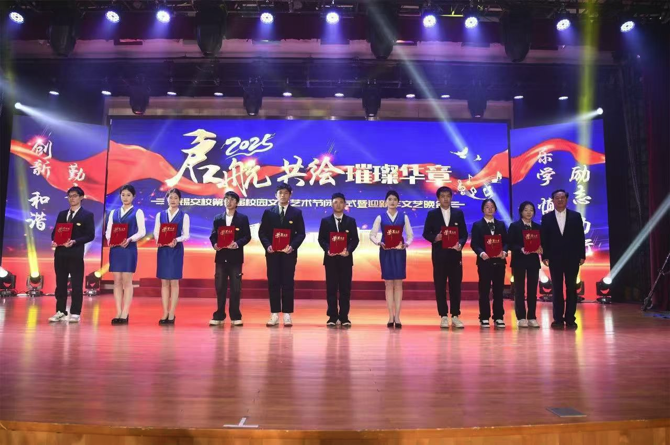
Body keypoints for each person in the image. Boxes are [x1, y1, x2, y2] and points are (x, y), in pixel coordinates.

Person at [259, 183, 306, 327]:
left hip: (288, 254)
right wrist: (268, 245)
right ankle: (274, 314)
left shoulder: (296, 213)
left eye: (286, 193)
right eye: (280, 193)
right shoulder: (268, 212)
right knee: (273, 282)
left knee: (288, 283)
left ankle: (287, 314)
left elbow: (301, 233)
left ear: (290, 195)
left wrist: (292, 246)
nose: (283, 195)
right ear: (276, 195)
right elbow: (262, 232)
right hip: (272, 253)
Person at [422, 186, 468, 329]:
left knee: (455, 286)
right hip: (439, 256)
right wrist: (436, 238)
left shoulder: (458, 213)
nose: (446, 199)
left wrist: (460, 244)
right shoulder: (432, 214)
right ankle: (443, 315)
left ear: (451, 197)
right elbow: (426, 233)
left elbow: (464, 234)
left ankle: (455, 315)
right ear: (438, 198)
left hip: (455, 255)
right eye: (442, 196)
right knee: (440, 286)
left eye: (448, 196)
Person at [48, 186, 95, 323]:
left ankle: (75, 312)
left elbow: (90, 235)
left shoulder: (87, 215)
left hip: (75, 254)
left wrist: (75, 241)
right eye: (69, 196)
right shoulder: (62, 214)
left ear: (81, 197)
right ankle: (60, 311)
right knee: (60, 284)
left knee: (76, 284)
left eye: (74, 196)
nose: (72, 198)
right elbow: (55, 232)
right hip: (60, 254)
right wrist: (54, 240)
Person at [541, 189, 586, 330]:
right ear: (552, 200)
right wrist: (545, 256)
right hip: (554, 258)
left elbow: (580, 237)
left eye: (562, 197)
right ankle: (558, 319)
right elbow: (544, 239)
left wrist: (582, 255)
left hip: (572, 258)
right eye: (557, 198)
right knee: (557, 288)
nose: (560, 200)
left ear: (566, 199)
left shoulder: (576, 216)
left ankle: (570, 319)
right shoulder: (546, 218)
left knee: (571, 288)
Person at [369, 190, 414, 328]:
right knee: (388, 283)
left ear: (398, 202)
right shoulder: (380, 217)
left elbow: (410, 235)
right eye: (390, 199)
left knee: (398, 283)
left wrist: (406, 244)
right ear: (386, 201)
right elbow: (372, 234)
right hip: (386, 252)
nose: (392, 202)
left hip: (399, 252)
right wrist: (379, 242)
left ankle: (398, 316)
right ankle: (390, 316)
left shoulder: (404, 217)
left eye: (395, 199)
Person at [209, 191, 251, 327]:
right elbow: (213, 235)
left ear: (237, 203)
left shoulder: (242, 219)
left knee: (235, 288)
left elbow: (247, 236)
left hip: (235, 258)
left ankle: (235, 315)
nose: (229, 201)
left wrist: (237, 243)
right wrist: (215, 244)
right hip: (221, 257)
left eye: (232, 199)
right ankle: (219, 315)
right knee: (220, 287)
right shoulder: (218, 218)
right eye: (226, 199)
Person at [317, 193, 360, 327]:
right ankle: (332, 316)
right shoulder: (325, 221)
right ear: (331, 204)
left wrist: (348, 250)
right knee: (331, 288)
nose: (338, 205)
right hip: (330, 260)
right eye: (335, 202)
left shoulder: (350, 221)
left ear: (345, 204)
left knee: (345, 289)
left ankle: (344, 317)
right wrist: (327, 249)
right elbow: (321, 239)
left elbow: (355, 239)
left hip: (345, 259)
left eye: (341, 202)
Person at [106, 184, 146, 325]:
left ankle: (125, 312)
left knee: (127, 281)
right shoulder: (114, 213)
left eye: (128, 195)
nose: (125, 197)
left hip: (129, 248)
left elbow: (142, 231)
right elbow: (109, 230)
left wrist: (129, 239)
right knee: (117, 280)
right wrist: (109, 239)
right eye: (123, 195)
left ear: (133, 196)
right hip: (116, 249)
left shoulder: (138, 212)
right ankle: (118, 311)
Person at [470, 198, 508, 329]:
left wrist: (504, 252)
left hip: (499, 262)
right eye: (487, 207)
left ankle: (498, 317)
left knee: (498, 290)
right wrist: (481, 253)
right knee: (484, 290)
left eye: (492, 207)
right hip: (484, 262)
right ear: (483, 209)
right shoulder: (477, 225)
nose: (490, 209)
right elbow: (474, 244)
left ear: (495, 209)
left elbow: (506, 242)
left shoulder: (501, 225)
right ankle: (484, 317)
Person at [154, 188, 189, 325]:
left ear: (179, 200)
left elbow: (186, 235)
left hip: (176, 250)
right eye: (170, 197)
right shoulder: (160, 215)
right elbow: (156, 232)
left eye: (175, 198)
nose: (173, 200)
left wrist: (177, 240)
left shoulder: (184, 216)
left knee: (174, 282)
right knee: (164, 282)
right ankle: (165, 312)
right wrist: (159, 240)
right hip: (163, 250)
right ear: (167, 199)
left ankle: (172, 313)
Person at [508, 201, 542, 328]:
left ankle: (532, 317)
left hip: (533, 261)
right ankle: (521, 317)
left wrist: (541, 249)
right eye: (526, 210)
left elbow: (542, 243)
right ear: (521, 212)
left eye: (531, 210)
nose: (529, 212)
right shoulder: (514, 226)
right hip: (519, 261)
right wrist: (521, 249)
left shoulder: (538, 227)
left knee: (532, 290)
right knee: (519, 290)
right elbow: (510, 244)